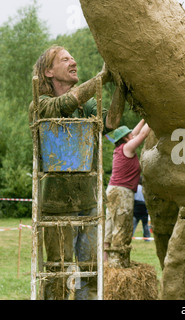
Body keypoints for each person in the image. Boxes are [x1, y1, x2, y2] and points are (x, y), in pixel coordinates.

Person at [28, 45, 126, 300]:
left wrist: (121, 84)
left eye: (73, 57)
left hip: (90, 201)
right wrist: (102, 78)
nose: (73, 61)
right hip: (56, 204)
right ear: (48, 72)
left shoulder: (88, 107)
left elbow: (111, 122)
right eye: (65, 59)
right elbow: (65, 104)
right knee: (58, 272)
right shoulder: (40, 105)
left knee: (91, 270)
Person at [104, 119, 151, 268]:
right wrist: (153, 116)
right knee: (121, 226)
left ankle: (105, 263)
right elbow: (142, 134)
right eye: (129, 134)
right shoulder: (128, 148)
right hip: (122, 192)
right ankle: (117, 265)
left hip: (113, 189)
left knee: (110, 225)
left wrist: (144, 118)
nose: (132, 134)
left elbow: (136, 132)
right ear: (125, 138)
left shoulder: (121, 148)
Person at [132, 177, 151, 241]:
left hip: (136, 208)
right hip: (144, 209)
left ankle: (130, 237)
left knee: (133, 225)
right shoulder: (145, 189)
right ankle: (147, 238)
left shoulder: (135, 188)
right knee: (145, 225)